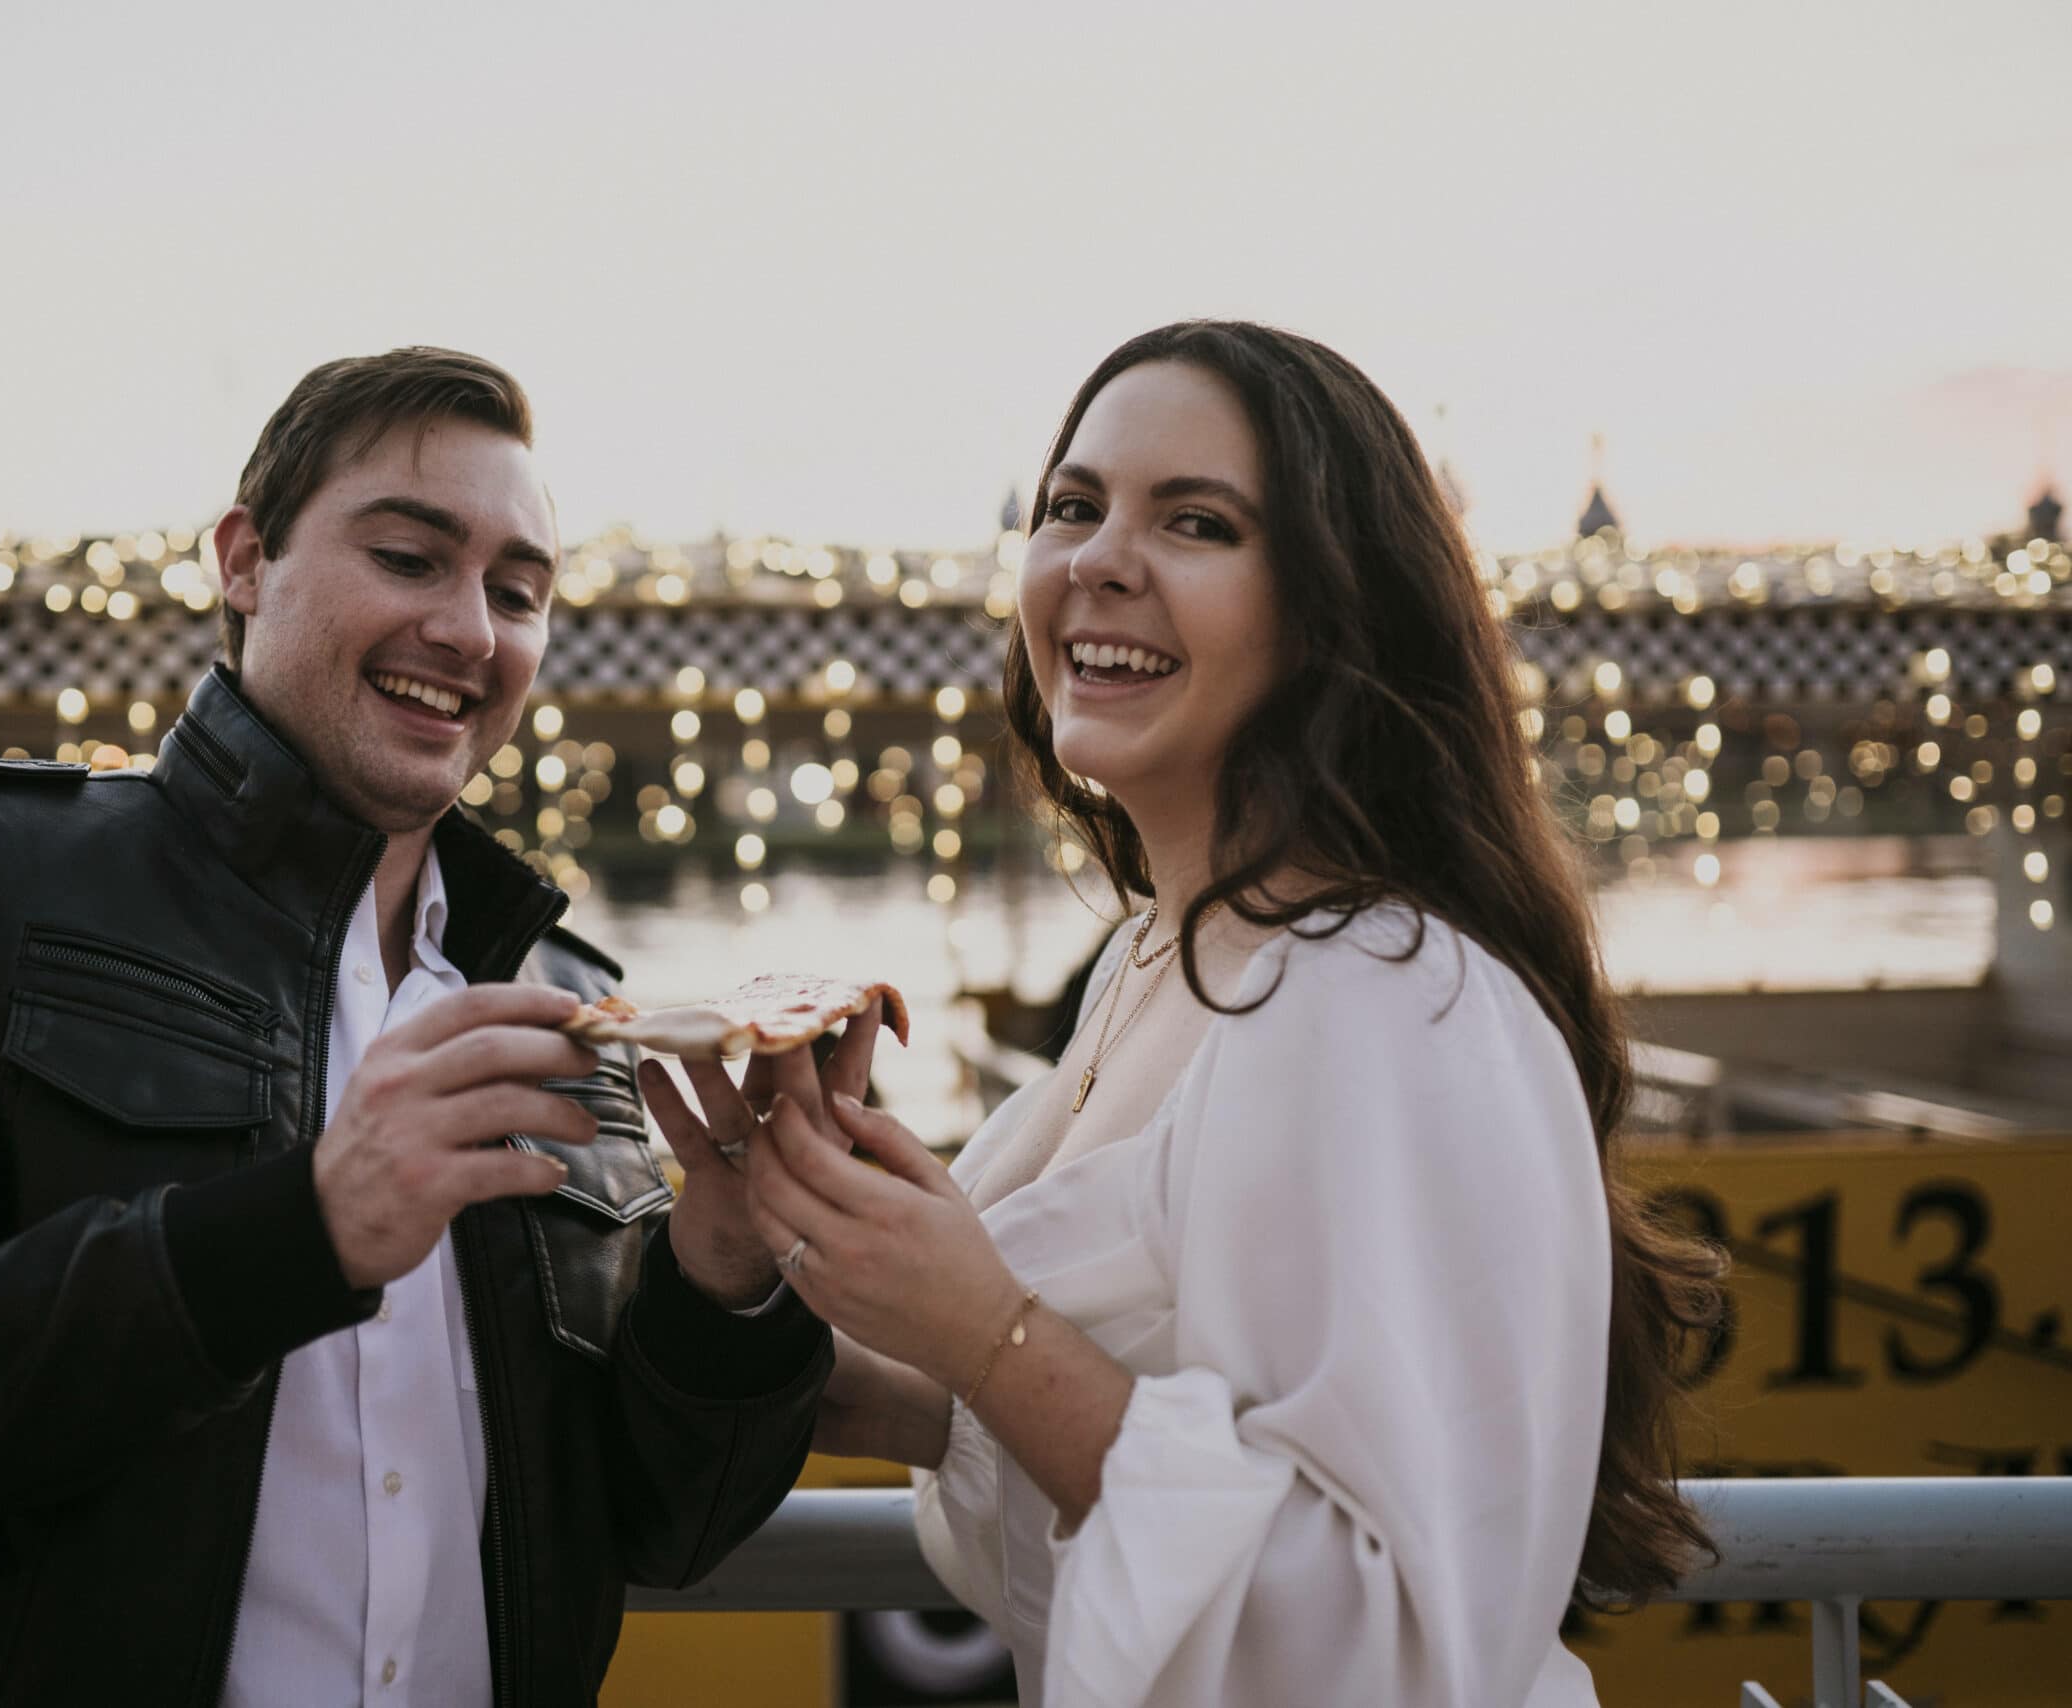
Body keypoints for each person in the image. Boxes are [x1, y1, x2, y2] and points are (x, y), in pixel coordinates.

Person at [0, 348, 834, 1707]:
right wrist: (300, 1233)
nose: (470, 630)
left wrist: (727, 1283)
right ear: (244, 560)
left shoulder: (571, 993)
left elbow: (663, 1525)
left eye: (517, 592)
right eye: (409, 557)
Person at [680, 321, 1726, 1706]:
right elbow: (1066, 1428)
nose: (1102, 558)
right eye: (1073, 506)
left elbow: (1392, 1642)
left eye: (1197, 522)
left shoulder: (1387, 998)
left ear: (1328, 610)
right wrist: (757, 1258)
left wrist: (984, 1320)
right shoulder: (1148, 957)